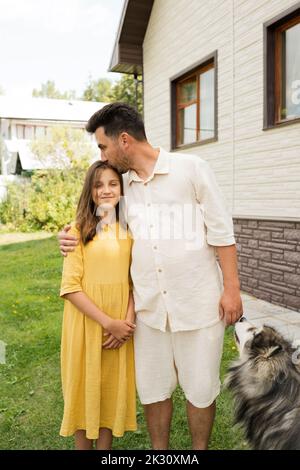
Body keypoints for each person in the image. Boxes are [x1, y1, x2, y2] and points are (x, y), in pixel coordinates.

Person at [58, 102, 243, 450]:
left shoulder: (191, 169)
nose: (102, 154)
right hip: (148, 311)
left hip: (199, 304)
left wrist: (231, 289)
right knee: (154, 389)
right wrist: (68, 237)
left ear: (123, 140)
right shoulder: (123, 188)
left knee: (201, 390)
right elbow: (97, 224)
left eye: (103, 146)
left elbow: (222, 232)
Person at [59, 159, 137, 450]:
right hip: (88, 326)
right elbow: (70, 287)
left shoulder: (129, 233)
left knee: (107, 392)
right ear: (90, 192)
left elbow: (133, 283)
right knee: (84, 390)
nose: (106, 190)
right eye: (99, 185)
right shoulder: (77, 232)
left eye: (113, 184)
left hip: (118, 331)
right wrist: (109, 323)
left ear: (122, 189)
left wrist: (125, 324)